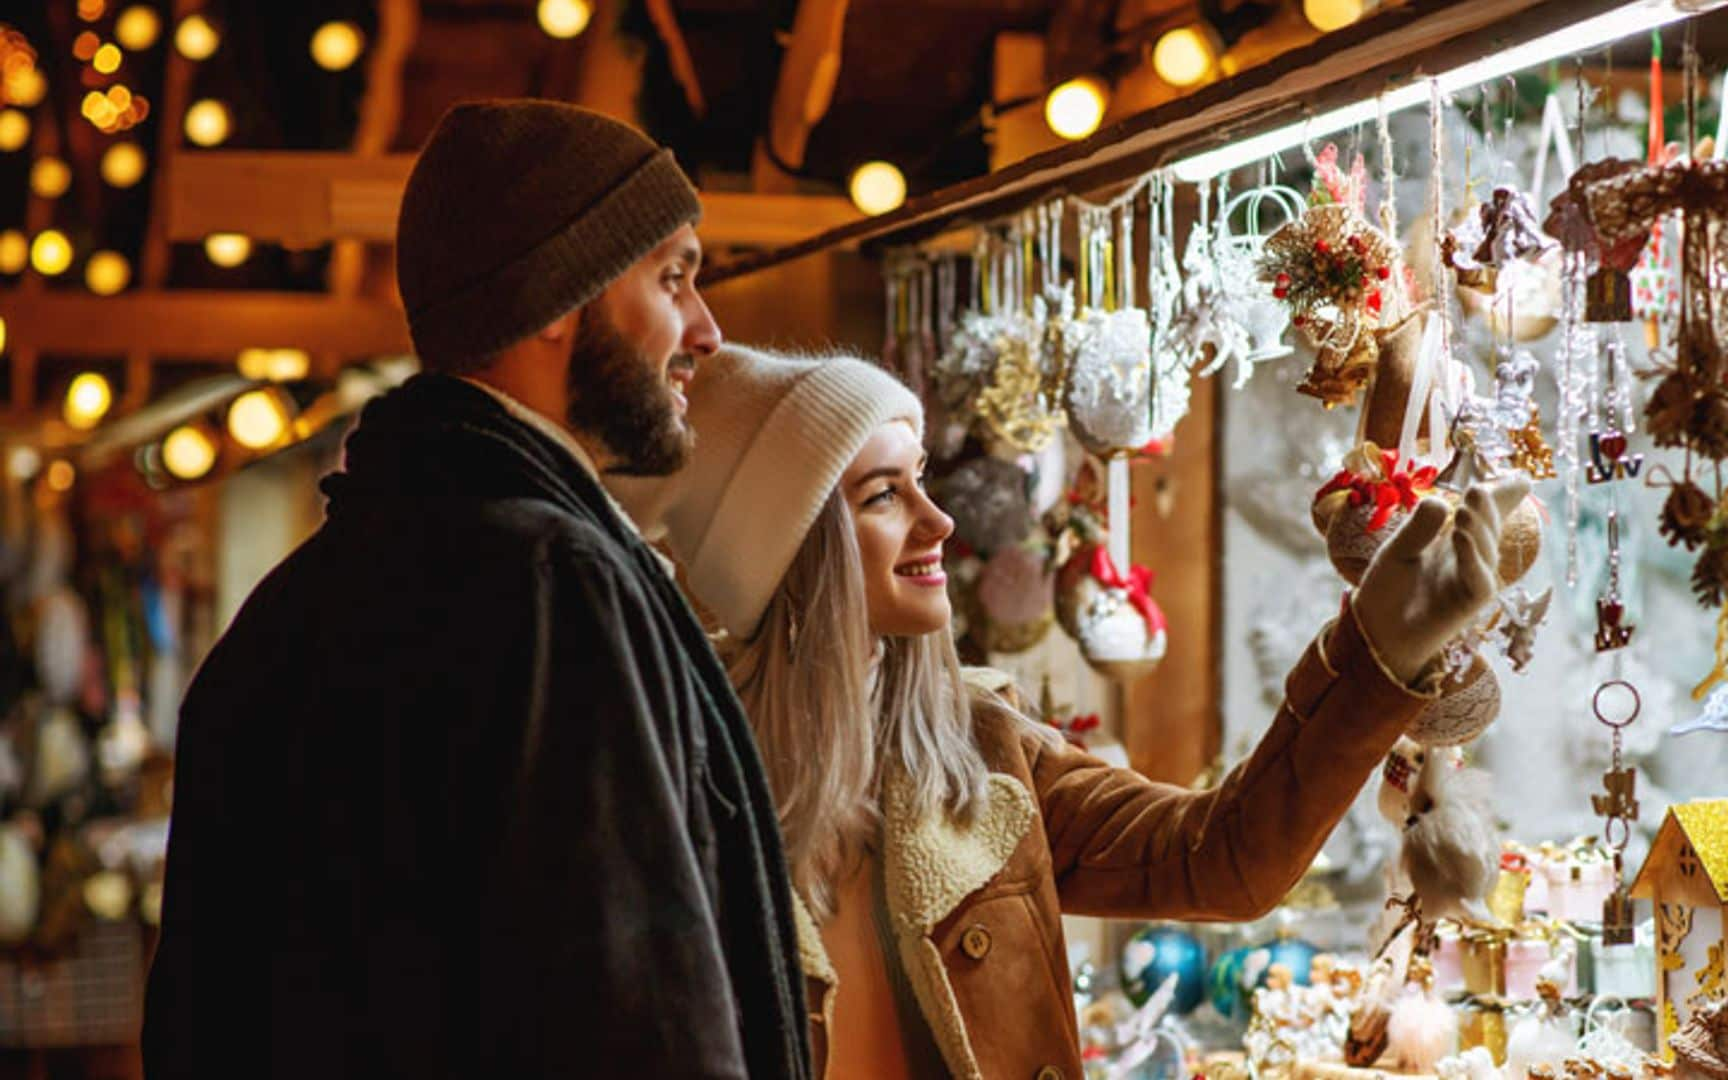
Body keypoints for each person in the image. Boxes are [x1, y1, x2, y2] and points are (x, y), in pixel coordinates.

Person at [617, 345, 1528, 1080]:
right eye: (885, 496)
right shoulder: (675, 786)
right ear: (787, 545)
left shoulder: (982, 747)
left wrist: (1375, 653)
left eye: (923, 480)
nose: (940, 522)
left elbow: (1223, 862)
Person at [144, 102, 811, 1079]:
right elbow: (637, 1019)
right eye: (672, 277)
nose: (705, 330)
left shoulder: (281, 616)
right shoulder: (555, 584)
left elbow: (196, 1028)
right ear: (553, 299)